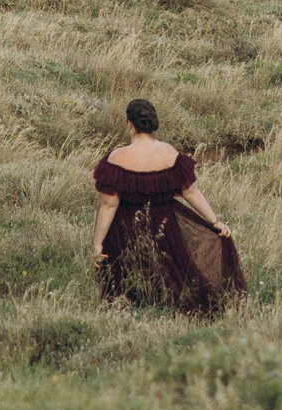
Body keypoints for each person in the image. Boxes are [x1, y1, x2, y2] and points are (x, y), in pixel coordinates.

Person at [92, 98, 244, 313]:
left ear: (129, 124)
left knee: (126, 282)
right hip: (166, 225)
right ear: (153, 123)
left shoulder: (117, 157)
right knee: (173, 279)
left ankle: (133, 312)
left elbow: (109, 205)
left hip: (125, 229)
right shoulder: (169, 153)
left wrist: (98, 243)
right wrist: (215, 221)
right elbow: (190, 191)